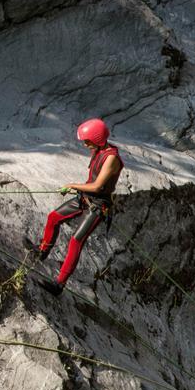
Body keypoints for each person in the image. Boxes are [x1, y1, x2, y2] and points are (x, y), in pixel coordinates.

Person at [32, 119, 124, 296]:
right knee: (53, 217)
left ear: (97, 139)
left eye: (87, 140)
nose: (84, 143)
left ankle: (59, 285)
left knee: (76, 241)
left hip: (98, 205)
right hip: (85, 198)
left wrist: (73, 185)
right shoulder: (98, 150)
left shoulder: (111, 158)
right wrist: (77, 189)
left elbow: (98, 186)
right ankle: (42, 252)